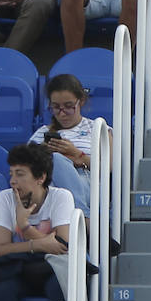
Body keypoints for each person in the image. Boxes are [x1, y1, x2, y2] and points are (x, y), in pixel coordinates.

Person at [0, 143, 72, 301]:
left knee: (62, 287)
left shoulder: (61, 197)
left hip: (50, 267)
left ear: (40, 177)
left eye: (20, 174)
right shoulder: (5, 198)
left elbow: (62, 247)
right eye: (11, 174)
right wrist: (40, 243)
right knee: (0, 290)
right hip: (17, 267)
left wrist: (25, 227)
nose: (13, 181)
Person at [29, 72, 98, 214]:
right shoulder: (41, 133)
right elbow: (24, 167)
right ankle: (81, 219)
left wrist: (78, 155)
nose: (62, 113)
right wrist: (41, 154)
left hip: (88, 181)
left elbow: (110, 168)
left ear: (81, 101)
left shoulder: (98, 129)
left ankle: (80, 216)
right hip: (49, 184)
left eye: (68, 106)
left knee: (56, 160)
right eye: (56, 107)